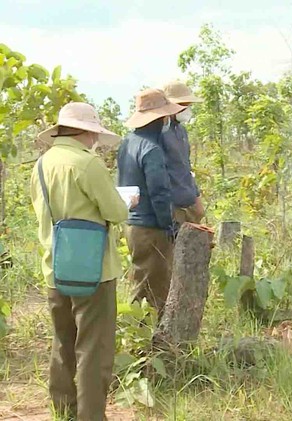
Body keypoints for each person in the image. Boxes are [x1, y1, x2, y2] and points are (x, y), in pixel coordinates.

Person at [30, 102, 137, 420]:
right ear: (88, 133)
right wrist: (127, 200)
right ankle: (91, 415)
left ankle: (62, 411)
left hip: (55, 268)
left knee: (63, 342)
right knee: (94, 348)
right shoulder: (87, 164)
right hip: (94, 272)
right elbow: (116, 212)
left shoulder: (41, 164)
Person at [117, 88, 185, 317]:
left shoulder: (128, 142)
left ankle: (138, 337)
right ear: (159, 118)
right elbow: (159, 192)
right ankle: (146, 341)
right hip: (150, 227)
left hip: (132, 224)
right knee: (154, 289)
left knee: (142, 282)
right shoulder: (152, 149)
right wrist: (169, 225)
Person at [161, 80, 205, 226]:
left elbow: (186, 167)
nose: (188, 108)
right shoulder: (160, 133)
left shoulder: (181, 131)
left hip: (188, 200)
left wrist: (196, 195)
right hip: (172, 205)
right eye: (184, 105)